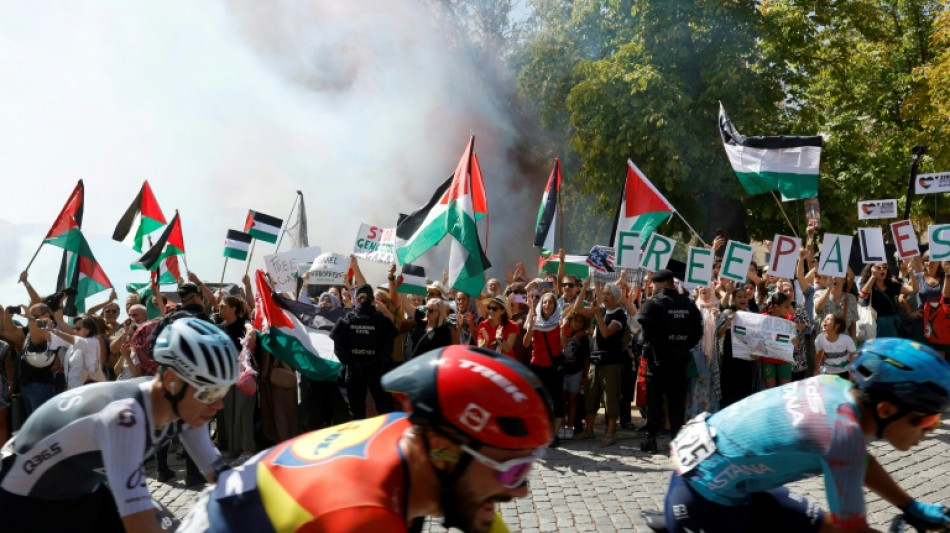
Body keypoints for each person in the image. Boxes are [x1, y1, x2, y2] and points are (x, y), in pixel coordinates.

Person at [178, 345, 553, 533]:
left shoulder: (411, 431)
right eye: (514, 470)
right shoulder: (363, 518)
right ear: (446, 451)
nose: (520, 491)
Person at [662, 338, 950, 533]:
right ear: (886, 409)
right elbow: (851, 527)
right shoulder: (843, 435)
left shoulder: (835, 386)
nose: (932, 428)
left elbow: (862, 461)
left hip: (725, 476)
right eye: (927, 418)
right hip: (701, 502)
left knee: (822, 526)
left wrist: (910, 506)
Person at [0, 318, 238, 533]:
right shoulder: (125, 418)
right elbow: (141, 526)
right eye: (210, 392)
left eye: (223, 392)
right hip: (25, 500)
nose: (219, 405)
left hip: (84, 488)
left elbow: (223, 480)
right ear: (171, 381)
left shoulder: (182, 405)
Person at [637, 270, 703, 453]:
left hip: (657, 361)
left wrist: (660, 346)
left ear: (663, 283)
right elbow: (698, 332)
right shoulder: (688, 304)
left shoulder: (653, 303)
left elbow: (645, 331)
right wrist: (682, 346)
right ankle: (677, 441)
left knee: (655, 403)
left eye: (654, 283)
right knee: (676, 404)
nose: (652, 287)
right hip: (679, 360)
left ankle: (651, 440)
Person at [330, 283, 398, 419]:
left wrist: (354, 363)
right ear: (373, 300)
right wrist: (372, 362)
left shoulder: (348, 320)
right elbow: (388, 347)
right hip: (373, 370)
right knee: (384, 410)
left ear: (356, 300)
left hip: (359, 371)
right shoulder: (381, 321)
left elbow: (338, 348)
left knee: (357, 412)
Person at [523, 292, 565, 446]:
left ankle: (553, 436)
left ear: (555, 306)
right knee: (536, 401)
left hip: (554, 367)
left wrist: (562, 329)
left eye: (551, 302)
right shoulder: (535, 320)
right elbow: (526, 344)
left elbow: (564, 345)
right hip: (537, 366)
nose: (547, 305)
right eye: (545, 302)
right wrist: (531, 328)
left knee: (557, 401)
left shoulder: (559, 322)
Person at [477, 295, 519, 359]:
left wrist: (499, 339)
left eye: (494, 309)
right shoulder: (483, 325)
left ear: (503, 311)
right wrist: (486, 340)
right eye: (489, 308)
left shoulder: (512, 325)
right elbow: (480, 350)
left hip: (506, 363)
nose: (491, 311)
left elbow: (507, 349)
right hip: (490, 362)